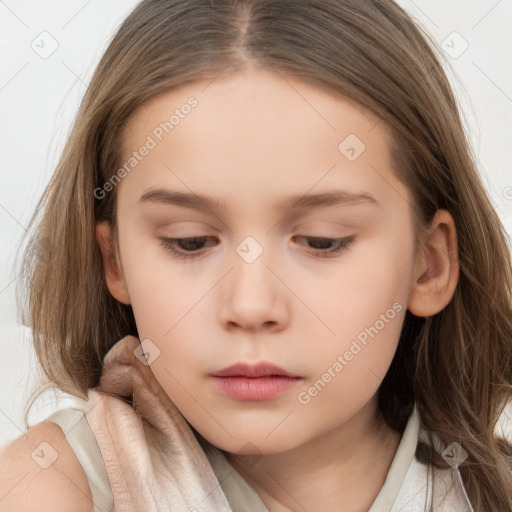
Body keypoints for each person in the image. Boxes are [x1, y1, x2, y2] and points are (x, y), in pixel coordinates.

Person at [1, 0, 511, 511]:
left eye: (322, 240)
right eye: (189, 241)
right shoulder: (49, 489)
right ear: (115, 262)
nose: (249, 305)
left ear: (429, 265)